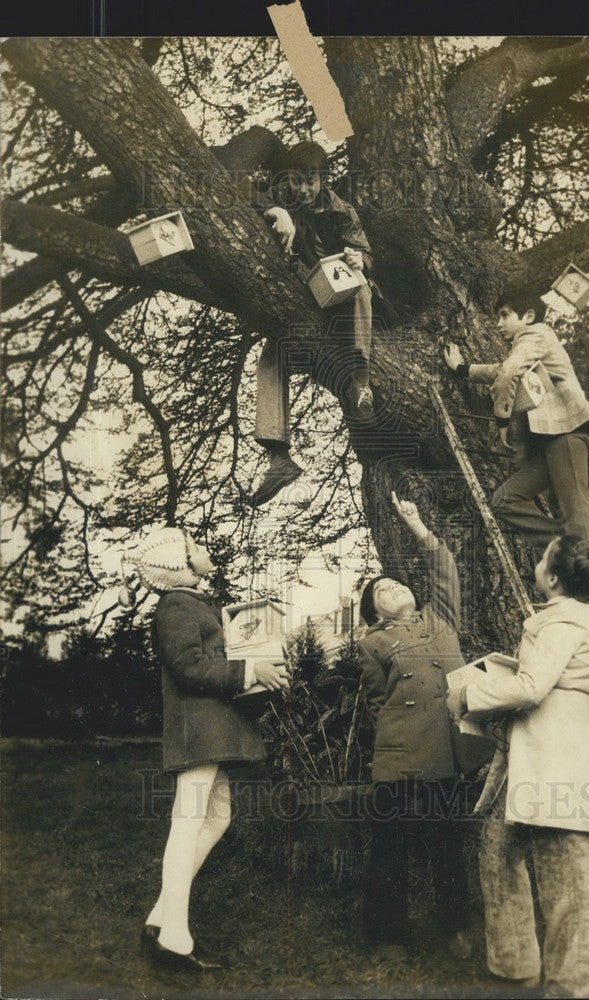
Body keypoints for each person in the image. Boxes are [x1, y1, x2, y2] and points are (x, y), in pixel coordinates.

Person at [447, 534, 589, 997]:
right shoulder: (581, 615)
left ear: (554, 577)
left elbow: (530, 686)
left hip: (556, 754)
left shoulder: (564, 622)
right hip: (534, 751)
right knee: (498, 852)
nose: (537, 561)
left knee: (566, 877)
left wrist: (468, 694)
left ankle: (577, 987)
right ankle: (514, 967)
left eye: (543, 557)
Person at [123, 526, 290, 972]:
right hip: (199, 730)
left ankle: (160, 920)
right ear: (179, 566)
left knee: (215, 816)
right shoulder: (177, 604)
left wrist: (257, 664)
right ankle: (174, 939)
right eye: (194, 547)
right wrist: (252, 670)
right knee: (189, 821)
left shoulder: (189, 603)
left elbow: (211, 657)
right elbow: (189, 668)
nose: (204, 550)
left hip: (209, 729)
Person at [357, 491, 474, 963]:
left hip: (445, 752)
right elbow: (374, 702)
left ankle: (455, 928)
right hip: (399, 757)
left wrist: (416, 524)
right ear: (377, 613)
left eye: (396, 583)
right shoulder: (374, 644)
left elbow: (444, 567)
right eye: (382, 591)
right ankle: (388, 935)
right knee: (390, 850)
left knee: (448, 845)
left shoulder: (441, 618)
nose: (394, 588)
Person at [250, 140, 378, 507]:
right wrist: (277, 210)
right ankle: (277, 455)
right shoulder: (282, 196)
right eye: (296, 181)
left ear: (323, 178)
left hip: (343, 299)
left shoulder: (342, 211)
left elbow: (367, 253)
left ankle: (361, 382)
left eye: (311, 181)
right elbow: (245, 194)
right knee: (273, 352)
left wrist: (360, 259)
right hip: (307, 293)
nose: (303, 189)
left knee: (361, 286)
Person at [443, 290, 589, 549]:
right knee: (504, 500)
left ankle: (588, 570)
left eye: (505, 315)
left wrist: (502, 419)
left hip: (567, 432)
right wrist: (462, 369)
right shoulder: (531, 344)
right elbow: (501, 370)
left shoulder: (535, 333)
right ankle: (567, 549)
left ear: (528, 316)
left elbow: (508, 372)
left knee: (576, 512)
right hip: (550, 440)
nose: (498, 323)